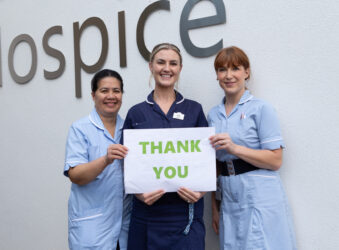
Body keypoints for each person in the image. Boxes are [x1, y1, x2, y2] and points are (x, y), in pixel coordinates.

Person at [208, 46, 297, 249]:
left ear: (246, 72)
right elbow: (214, 166)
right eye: (222, 70)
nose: (229, 76)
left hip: (260, 195)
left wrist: (234, 148)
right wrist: (214, 208)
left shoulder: (261, 108)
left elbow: (276, 160)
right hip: (228, 196)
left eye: (235, 68)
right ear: (217, 76)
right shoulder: (213, 114)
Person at [122, 43, 208, 250]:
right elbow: (125, 162)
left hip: (185, 213)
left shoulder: (194, 110)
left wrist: (201, 192)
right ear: (151, 66)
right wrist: (137, 193)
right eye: (161, 62)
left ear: (180, 69)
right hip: (147, 213)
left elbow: (207, 160)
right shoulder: (137, 113)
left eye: (173, 63)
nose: (166, 68)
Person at [64, 69, 131, 250]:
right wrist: (105, 160)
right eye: (104, 91)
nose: (111, 96)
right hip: (92, 230)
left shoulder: (130, 129)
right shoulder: (80, 129)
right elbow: (76, 175)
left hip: (124, 231)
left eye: (116, 91)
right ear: (93, 95)